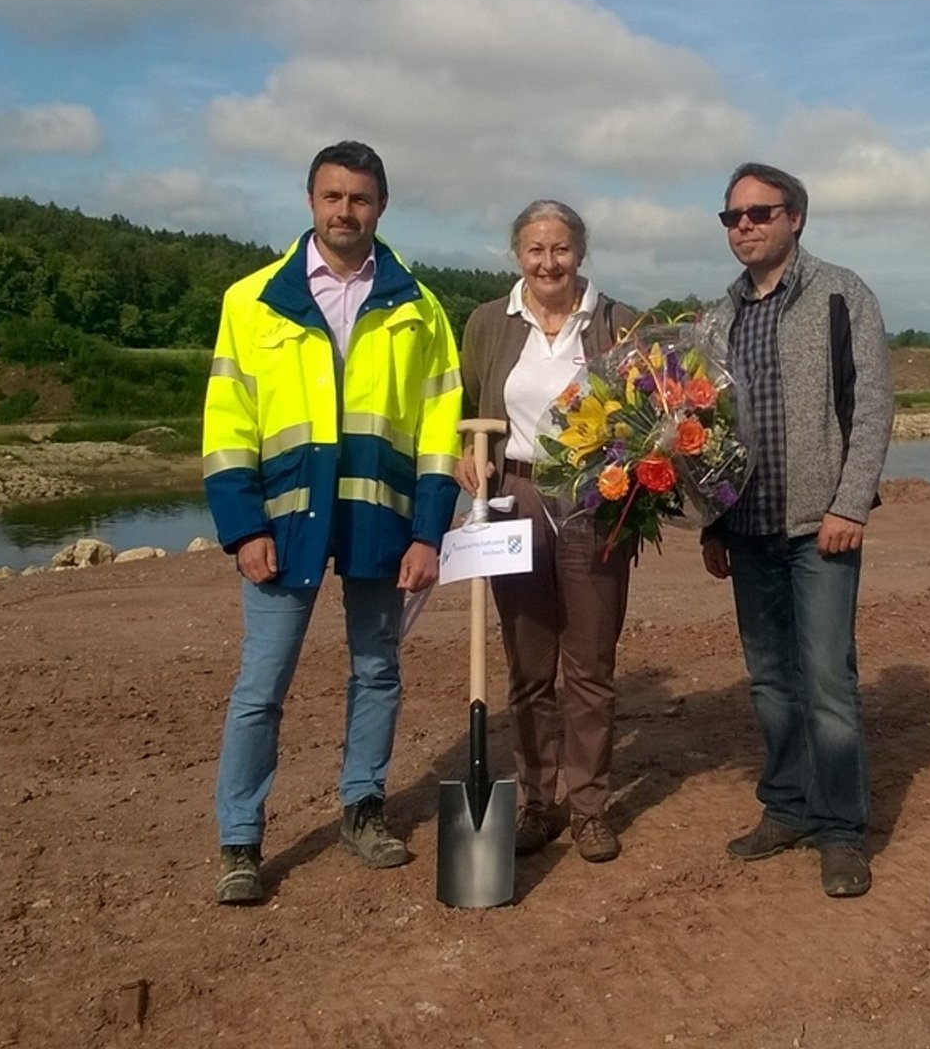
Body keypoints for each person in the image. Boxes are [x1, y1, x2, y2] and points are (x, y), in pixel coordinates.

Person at [201, 140, 462, 905]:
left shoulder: (420, 308)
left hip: (381, 523)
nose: (346, 211)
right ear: (311, 201)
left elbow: (440, 428)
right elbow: (226, 423)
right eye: (332, 197)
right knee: (261, 687)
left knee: (377, 671)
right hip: (285, 527)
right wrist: (243, 527)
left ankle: (362, 809)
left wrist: (428, 532)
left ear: (381, 206)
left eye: (361, 198)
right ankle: (240, 842)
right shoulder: (251, 301)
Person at [698, 162, 893, 898]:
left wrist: (851, 504)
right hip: (746, 529)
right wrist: (712, 525)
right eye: (732, 218)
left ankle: (841, 832)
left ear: (795, 218)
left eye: (759, 213)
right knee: (772, 683)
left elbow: (871, 405)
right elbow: (701, 432)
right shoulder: (720, 317)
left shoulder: (843, 294)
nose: (744, 226)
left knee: (827, 682)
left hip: (821, 528)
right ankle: (786, 807)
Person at [456, 200, 639, 863]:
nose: (548, 262)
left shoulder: (616, 321)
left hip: (595, 494)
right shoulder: (487, 324)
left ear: (580, 253)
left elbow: (647, 410)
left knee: (589, 662)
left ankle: (589, 806)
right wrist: (463, 452)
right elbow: (468, 402)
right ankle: (538, 800)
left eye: (560, 249)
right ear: (517, 255)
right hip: (518, 492)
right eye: (535, 250)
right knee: (529, 664)